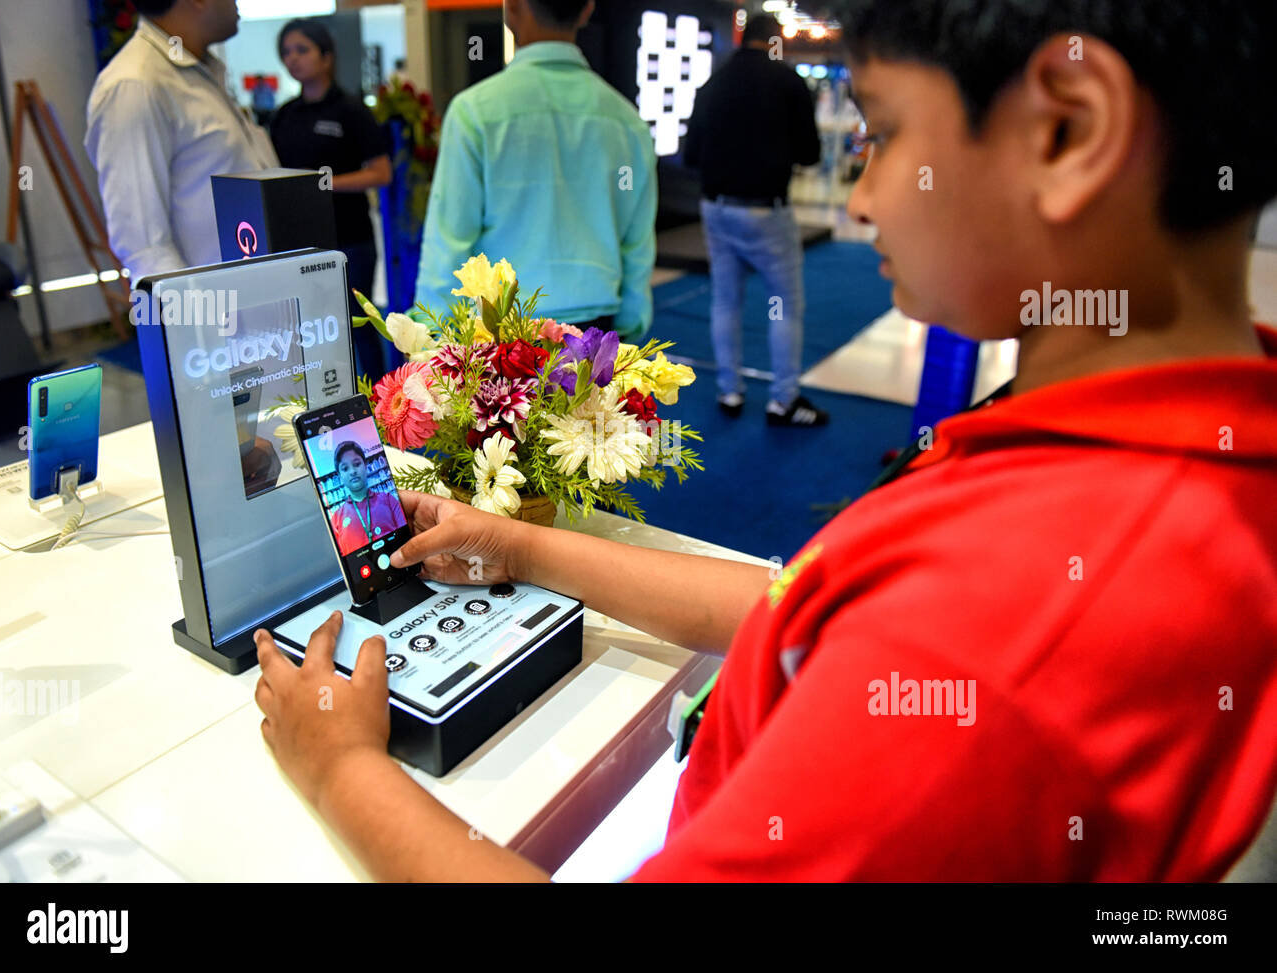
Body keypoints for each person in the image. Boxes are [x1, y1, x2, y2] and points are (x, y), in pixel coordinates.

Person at [250, 0, 1277, 881]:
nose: (866, 194)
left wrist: (338, 765)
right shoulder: (1175, 451)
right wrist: (515, 543)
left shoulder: (995, 629)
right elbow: (804, 611)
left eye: (883, 131)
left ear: (1067, 133)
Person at [414, 0, 657, 342]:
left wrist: (431, 335)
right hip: (595, 330)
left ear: (511, 7)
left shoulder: (475, 112)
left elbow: (450, 237)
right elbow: (636, 238)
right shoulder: (627, 121)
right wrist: (629, 323)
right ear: (587, 10)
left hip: (504, 333)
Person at [684, 13, 828, 427]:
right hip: (766, 210)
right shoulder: (787, 82)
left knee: (725, 300)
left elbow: (691, 154)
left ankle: (729, 391)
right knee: (783, 304)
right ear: (775, 39)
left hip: (716, 208)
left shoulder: (713, 83)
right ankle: (783, 400)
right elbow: (810, 153)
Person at [85, 0, 279, 284]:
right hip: (220, 314)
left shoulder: (200, 71)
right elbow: (145, 247)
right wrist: (198, 324)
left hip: (262, 300)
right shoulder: (135, 84)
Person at [271, 18, 393, 381]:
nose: (293, 59)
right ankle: (328, 399)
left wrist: (323, 185)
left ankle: (381, 401)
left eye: (302, 50)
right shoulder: (284, 116)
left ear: (326, 57)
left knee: (358, 323)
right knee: (311, 329)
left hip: (350, 240)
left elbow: (381, 173)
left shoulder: (352, 111)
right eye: (287, 52)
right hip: (300, 244)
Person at [328, 442, 402, 556]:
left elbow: (405, 537)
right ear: (340, 476)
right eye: (345, 468)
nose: (353, 471)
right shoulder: (336, 520)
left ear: (365, 466)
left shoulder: (388, 500)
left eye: (357, 464)